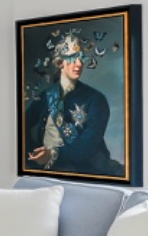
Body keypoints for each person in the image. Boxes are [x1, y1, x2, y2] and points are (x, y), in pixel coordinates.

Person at [23, 30, 123, 177]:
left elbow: (86, 146)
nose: (79, 63)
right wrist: (33, 156)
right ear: (60, 63)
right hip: (47, 173)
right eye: (72, 57)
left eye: (81, 57)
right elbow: (22, 126)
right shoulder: (46, 96)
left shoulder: (96, 99)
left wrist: (52, 154)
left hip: (87, 174)